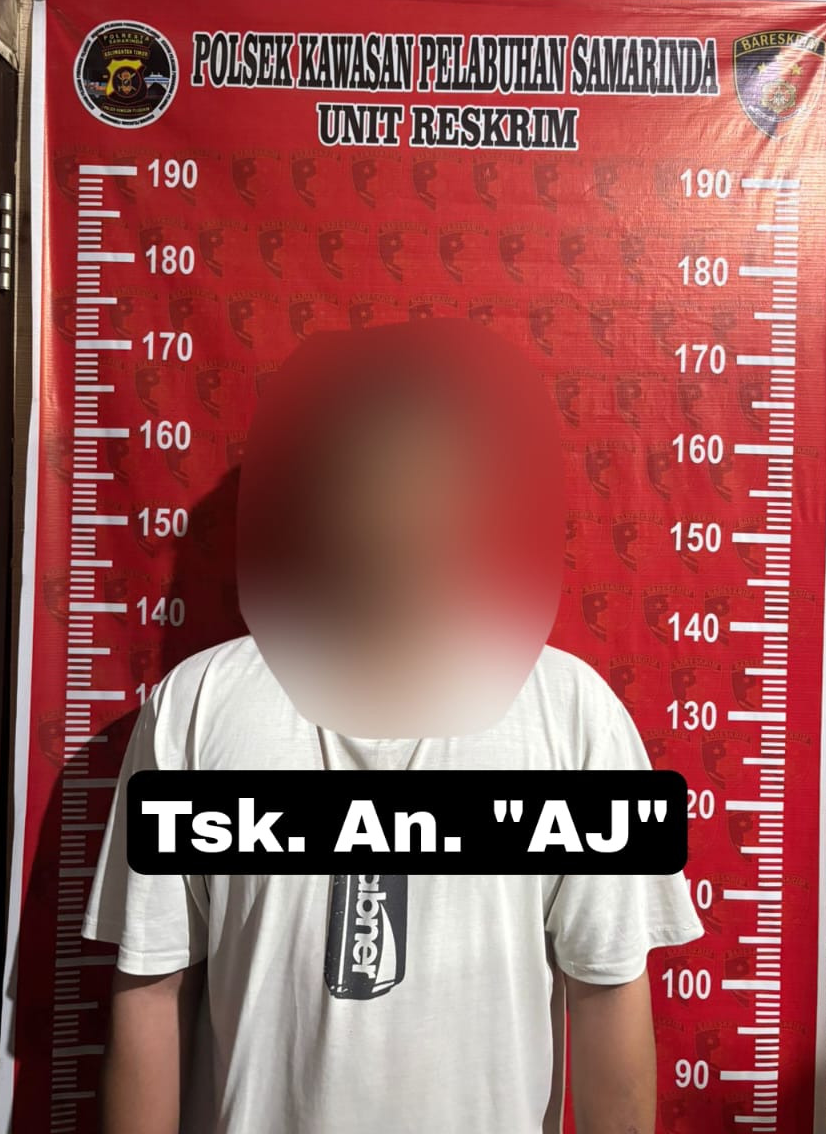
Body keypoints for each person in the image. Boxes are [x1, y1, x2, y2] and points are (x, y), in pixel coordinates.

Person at [82, 320, 704, 1134]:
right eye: (369, 481)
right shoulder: (198, 709)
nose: (396, 515)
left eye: (426, 482)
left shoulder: (571, 716)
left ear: (475, 502)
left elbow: (607, 993)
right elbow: (150, 988)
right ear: (316, 501)